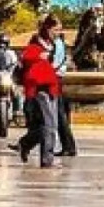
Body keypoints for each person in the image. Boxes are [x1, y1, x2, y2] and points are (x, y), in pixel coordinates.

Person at [26, 16, 77, 158]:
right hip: (41, 84)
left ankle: (29, 146)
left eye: (59, 30)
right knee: (49, 121)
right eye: (56, 29)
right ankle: (36, 150)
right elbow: (27, 58)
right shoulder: (38, 42)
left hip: (53, 82)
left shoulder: (56, 43)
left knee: (53, 120)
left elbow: (57, 62)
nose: (58, 32)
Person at [15, 34, 62, 168]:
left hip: (50, 89)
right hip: (40, 90)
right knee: (49, 126)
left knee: (48, 127)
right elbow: (26, 58)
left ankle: (25, 143)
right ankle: (47, 160)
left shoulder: (51, 49)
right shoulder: (35, 48)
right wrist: (40, 56)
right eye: (54, 30)